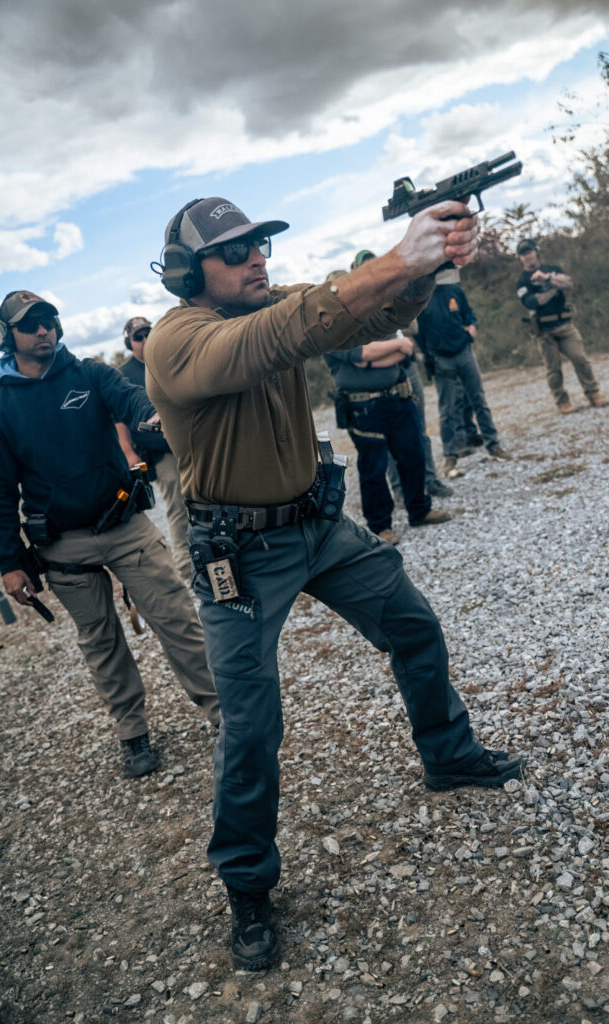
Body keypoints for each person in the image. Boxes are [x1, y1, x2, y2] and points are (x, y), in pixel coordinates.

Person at [144, 195, 525, 972]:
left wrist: (423, 270)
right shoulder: (175, 340)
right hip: (239, 554)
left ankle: (448, 754)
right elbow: (280, 335)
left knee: (412, 625)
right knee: (250, 725)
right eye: (236, 250)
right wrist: (398, 258)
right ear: (188, 270)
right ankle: (247, 883)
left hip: (317, 524)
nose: (257, 257)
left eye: (259, 244)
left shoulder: (274, 303)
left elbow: (366, 317)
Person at [0, 291, 220, 778]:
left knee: (177, 619)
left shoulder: (89, 373)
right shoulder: (0, 403)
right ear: (6, 336)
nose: (43, 329)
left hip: (123, 523)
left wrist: (153, 414)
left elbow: (133, 397)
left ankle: (224, 714)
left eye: (48, 319)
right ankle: (132, 733)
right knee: (100, 642)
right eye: (29, 324)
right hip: (62, 543)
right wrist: (10, 562)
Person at [323, 265, 451, 545]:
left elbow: (403, 350)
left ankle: (419, 510)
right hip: (363, 407)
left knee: (413, 456)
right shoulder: (329, 329)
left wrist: (379, 355)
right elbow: (361, 355)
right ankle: (381, 526)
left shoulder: (376, 317)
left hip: (397, 398)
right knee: (374, 467)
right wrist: (388, 350)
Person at [349, 252, 453, 502]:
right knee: (391, 435)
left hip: (408, 367)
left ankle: (429, 480)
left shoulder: (396, 292)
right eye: (365, 267)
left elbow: (413, 327)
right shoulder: (360, 305)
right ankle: (399, 489)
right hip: (385, 372)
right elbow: (365, 350)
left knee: (419, 428)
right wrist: (398, 346)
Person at [115, 317, 191, 576]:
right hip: (161, 452)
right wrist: (128, 451)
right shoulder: (124, 374)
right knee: (178, 505)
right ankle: (186, 566)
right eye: (138, 337)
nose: (145, 340)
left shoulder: (167, 360)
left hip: (189, 442)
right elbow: (118, 418)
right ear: (129, 343)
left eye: (148, 333)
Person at [416, 282, 511, 478]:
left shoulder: (454, 290)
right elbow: (418, 333)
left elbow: (468, 313)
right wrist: (429, 355)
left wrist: (472, 324)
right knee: (447, 409)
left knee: (479, 400)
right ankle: (450, 457)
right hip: (441, 358)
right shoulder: (420, 299)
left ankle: (493, 445)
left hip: (464, 352)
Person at [516, 238, 609, 414]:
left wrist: (547, 278)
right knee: (553, 369)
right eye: (523, 254)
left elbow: (568, 284)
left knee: (580, 359)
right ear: (520, 258)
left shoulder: (552, 269)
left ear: (535, 251)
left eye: (529, 251)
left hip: (565, 325)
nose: (527, 256)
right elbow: (532, 302)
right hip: (544, 330)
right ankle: (562, 402)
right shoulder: (522, 281)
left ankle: (593, 393)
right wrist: (554, 287)